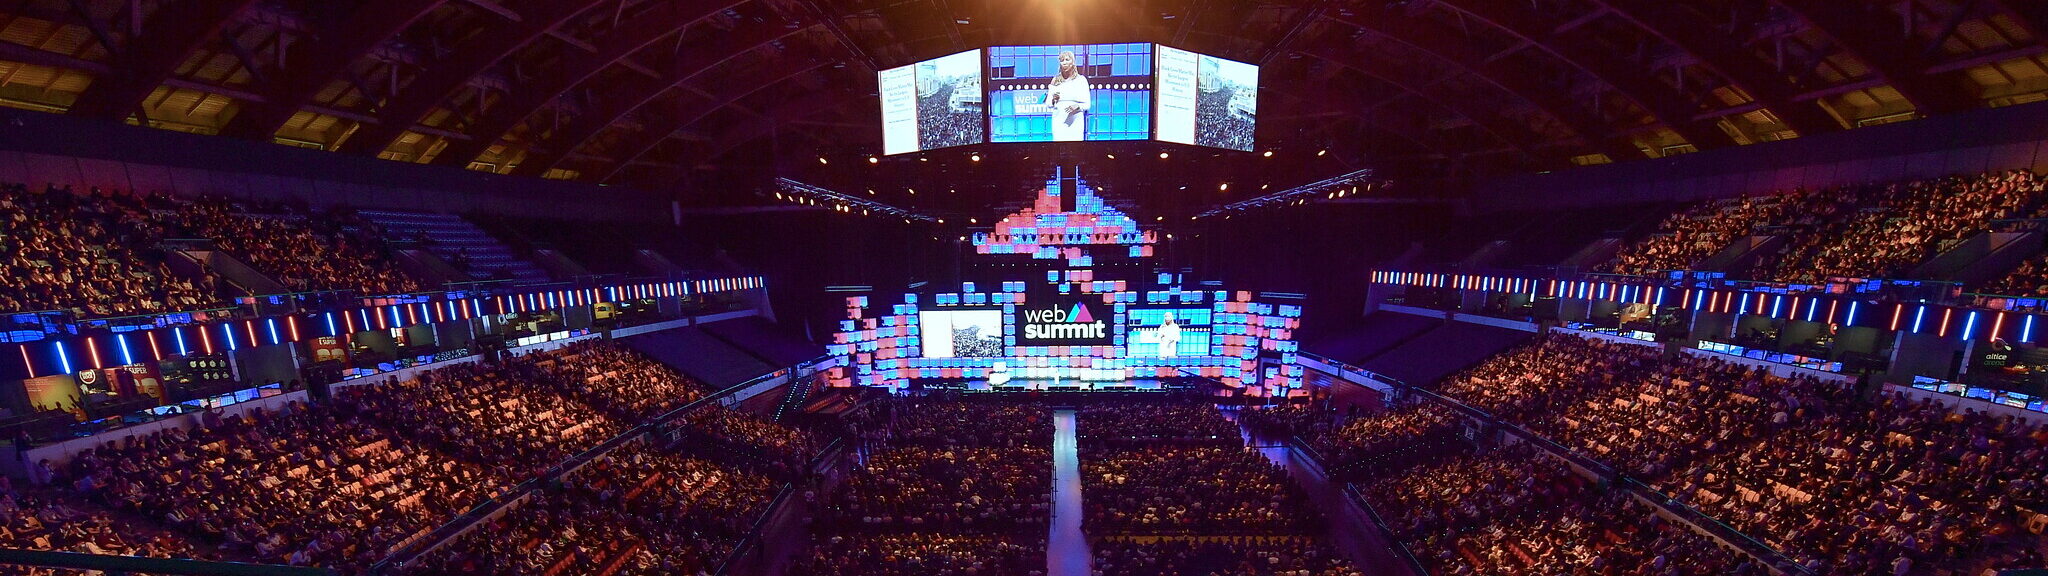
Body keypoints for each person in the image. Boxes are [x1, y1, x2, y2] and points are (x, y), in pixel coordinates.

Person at [1045, 50, 1091, 141]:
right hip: (1058, 121)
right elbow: (1048, 104)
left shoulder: (1081, 80)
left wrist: (1077, 106)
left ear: (1073, 62)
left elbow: (1087, 104)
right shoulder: (1055, 80)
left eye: (1067, 59)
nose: (1064, 62)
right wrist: (1054, 100)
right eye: (1062, 60)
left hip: (1075, 122)